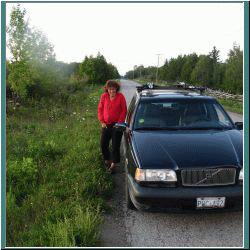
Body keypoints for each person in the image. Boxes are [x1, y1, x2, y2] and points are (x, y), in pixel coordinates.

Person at [98, 80, 127, 173]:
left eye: (113, 88)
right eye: (110, 89)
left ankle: (114, 164)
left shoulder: (121, 97)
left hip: (117, 125)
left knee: (115, 145)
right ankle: (107, 161)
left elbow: (124, 110)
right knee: (103, 144)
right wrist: (102, 121)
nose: (112, 91)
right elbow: (100, 109)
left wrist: (119, 123)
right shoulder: (104, 96)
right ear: (107, 89)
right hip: (106, 125)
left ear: (116, 88)